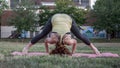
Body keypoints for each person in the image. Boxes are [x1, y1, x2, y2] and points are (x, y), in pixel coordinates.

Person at [22, 13, 100, 55]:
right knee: (79, 35)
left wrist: (73, 53)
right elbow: (46, 41)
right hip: (60, 18)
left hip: (62, 19)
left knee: (42, 34)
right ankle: (26, 48)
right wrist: (47, 51)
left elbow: (75, 42)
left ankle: (26, 48)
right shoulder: (53, 41)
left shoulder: (67, 42)